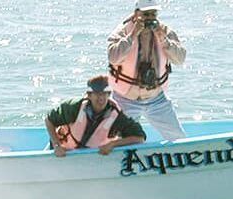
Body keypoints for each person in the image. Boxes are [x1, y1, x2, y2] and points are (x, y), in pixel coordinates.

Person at [107, 3, 187, 140]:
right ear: (136, 13)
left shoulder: (165, 31)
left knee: (178, 138)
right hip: (126, 98)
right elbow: (113, 58)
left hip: (156, 98)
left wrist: (164, 40)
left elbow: (180, 59)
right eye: (145, 14)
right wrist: (132, 35)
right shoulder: (122, 31)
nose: (149, 18)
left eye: (153, 14)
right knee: (116, 140)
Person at [44, 74, 146, 158]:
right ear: (89, 95)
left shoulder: (116, 116)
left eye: (104, 94)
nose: (101, 98)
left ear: (109, 94)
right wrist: (57, 145)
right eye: (97, 94)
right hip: (62, 152)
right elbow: (49, 120)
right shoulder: (74, 107)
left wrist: (112, 144)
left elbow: (139, 138)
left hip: (90, 157)